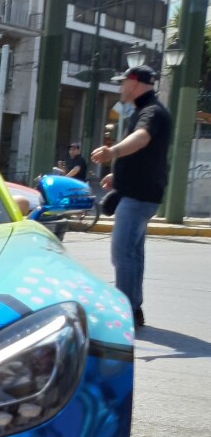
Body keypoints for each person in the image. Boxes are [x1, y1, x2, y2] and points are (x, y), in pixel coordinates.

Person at [91, 64, 170, 329]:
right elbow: (143, 155)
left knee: (122, 253)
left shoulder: (151, 112)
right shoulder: (144, 110)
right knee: (133, 254)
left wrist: (112, 153)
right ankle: (133, 309)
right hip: (139, 191)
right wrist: (118, 175)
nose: (120, 87)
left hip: (139, 196)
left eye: (122, 82)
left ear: (134, 83)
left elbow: (142, 139)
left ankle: (127, 311)